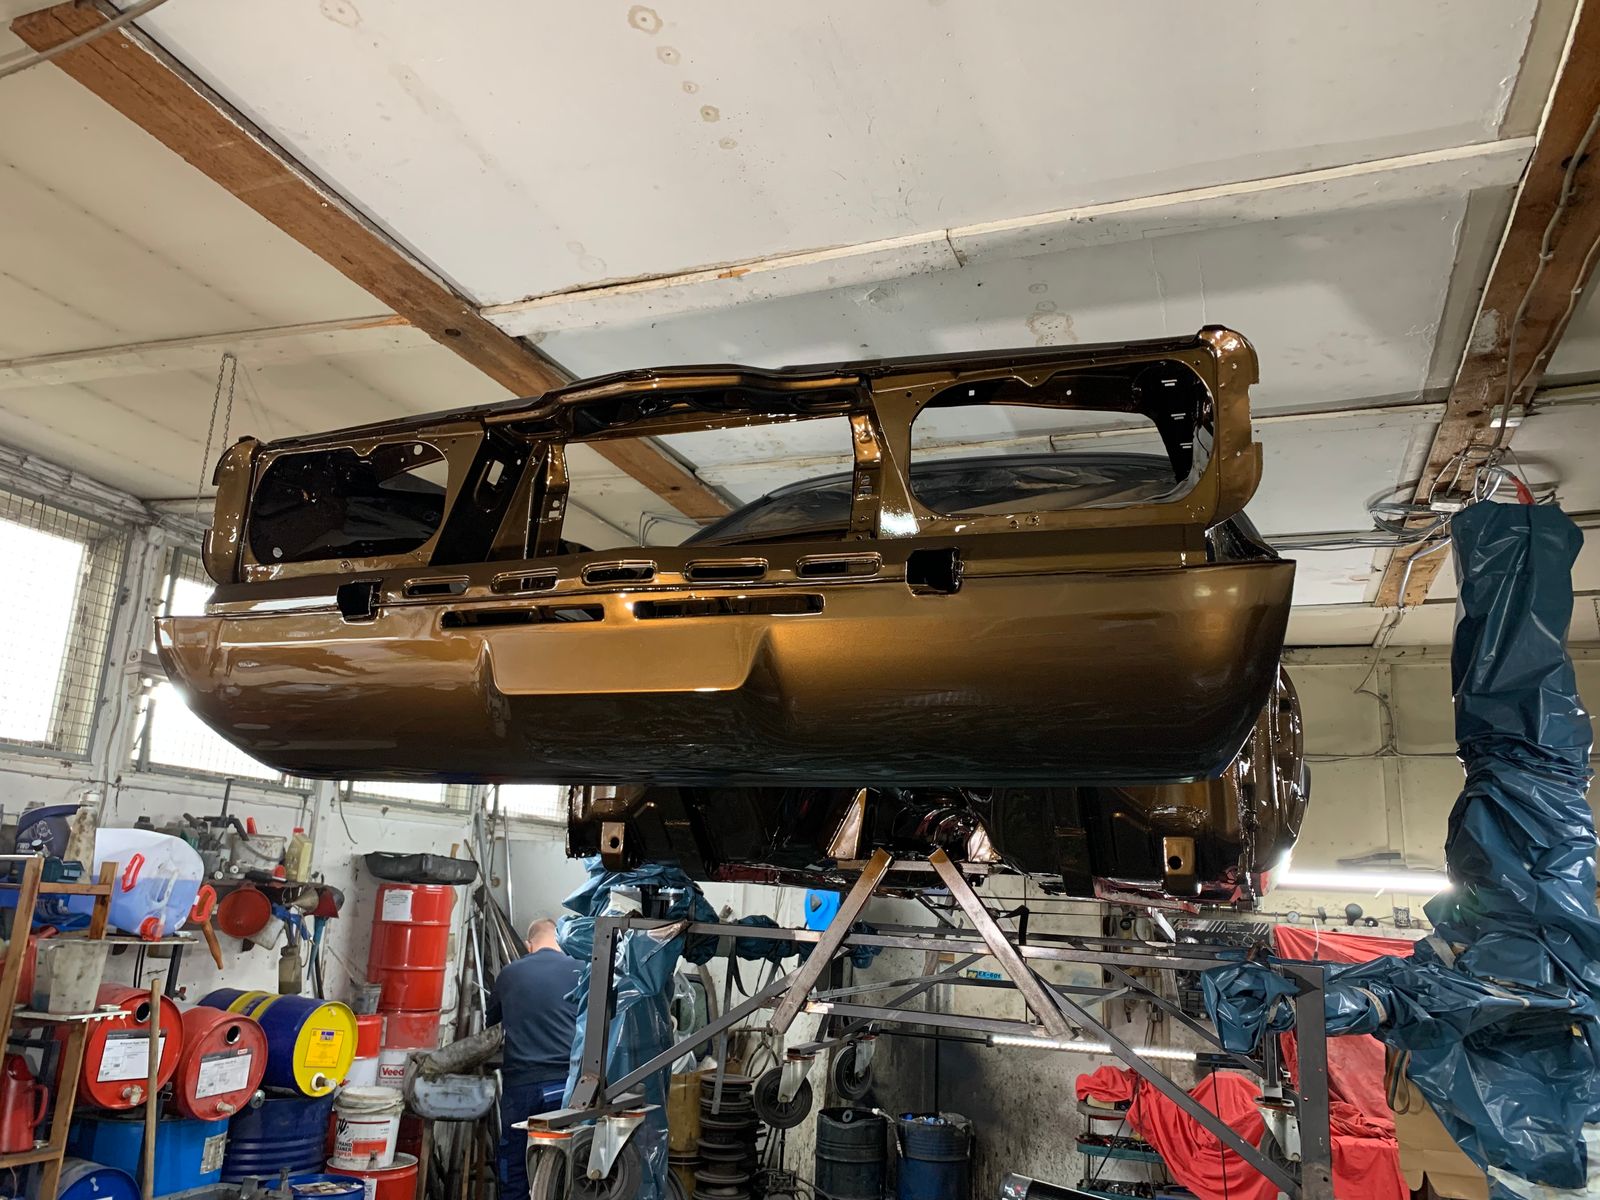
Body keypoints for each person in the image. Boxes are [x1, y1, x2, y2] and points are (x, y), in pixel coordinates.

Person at [489, 917, 582, 1199]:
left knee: (514, 1158)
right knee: (572, 1157)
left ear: (529, 945)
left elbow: (491, 1027)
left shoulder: (509, 973)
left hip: (522, 1085)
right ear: (561, 941)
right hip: (567, 1085)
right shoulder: (581, 970)